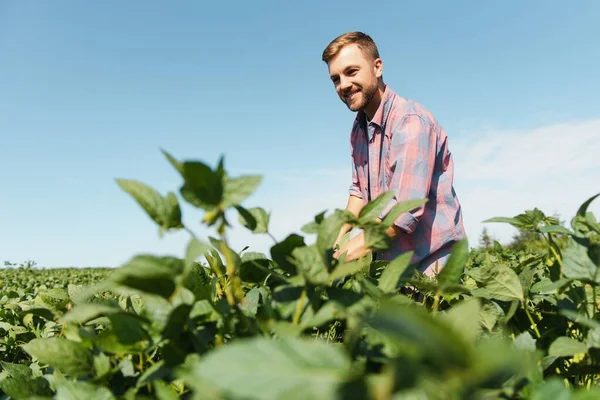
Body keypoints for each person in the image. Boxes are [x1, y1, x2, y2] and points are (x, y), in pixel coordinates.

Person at [322, 31, 466, 277]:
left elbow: (402, 213)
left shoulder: (409, 122)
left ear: (377, 67)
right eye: (336, 79)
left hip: (432, 267)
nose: (343, 85)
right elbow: (359, 190)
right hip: (393, 267)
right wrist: (337, 237)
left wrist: (340, 258)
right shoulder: (359, 129)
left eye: (351, 72)